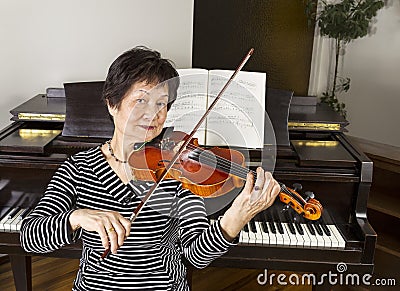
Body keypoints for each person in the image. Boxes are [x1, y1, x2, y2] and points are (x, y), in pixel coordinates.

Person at [20, 46, 280, 291]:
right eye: (141, 101)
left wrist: (233, 221)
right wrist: (77, 217)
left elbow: (195, 255)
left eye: (161, 104)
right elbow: (30, 236)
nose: (153, 115)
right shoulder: (79, 168)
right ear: (112, 104)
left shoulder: (179, 168)